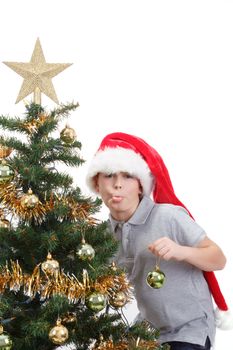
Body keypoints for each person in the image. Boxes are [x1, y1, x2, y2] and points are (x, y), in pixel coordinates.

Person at [86, 132, 232, 350]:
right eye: (109, 175)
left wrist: (181, 251)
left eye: (127, 176)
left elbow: (218, 259)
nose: (117, 184)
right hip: (147, 329)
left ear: (141, 186)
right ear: (97, 184)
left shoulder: (168, 216)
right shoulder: (101, 235)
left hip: (189, 329)